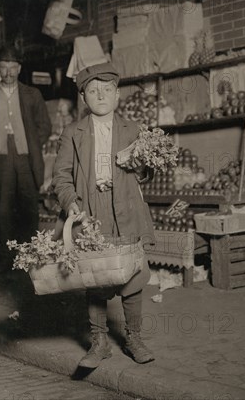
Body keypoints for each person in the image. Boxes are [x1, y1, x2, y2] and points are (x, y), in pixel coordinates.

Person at [52, 62, 155, 368]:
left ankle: (134, 338)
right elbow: (61, 176)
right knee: (96, 277)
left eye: (107, 90)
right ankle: (100, 342)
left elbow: (146, 173)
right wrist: (70, 201)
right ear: (83, 98)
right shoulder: (73, 132)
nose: (101, 96)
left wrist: (140, 165)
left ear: (117, 95)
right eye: (93, 91)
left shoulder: (133, 130)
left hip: (126, 207)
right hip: (91, 212)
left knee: (132, 274)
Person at [0, 44, 52, 274]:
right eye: (3, 67)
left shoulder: (32, 94)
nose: (8, 72)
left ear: (19, 68)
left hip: (25, 159)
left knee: (29, 209)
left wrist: (30, 142)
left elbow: (45, 127)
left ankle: (31, 259)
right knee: (4, 210)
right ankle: (6, 260)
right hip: (1, 159)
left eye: (13, 67)